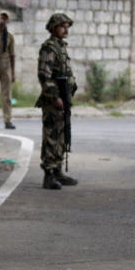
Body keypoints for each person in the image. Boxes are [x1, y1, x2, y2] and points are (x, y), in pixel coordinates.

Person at [35, 13, 78, 190]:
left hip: (64, 99)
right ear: (54, 28)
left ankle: (58, 169)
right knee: (51, 136)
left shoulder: (61, 47)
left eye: (67, 26)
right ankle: (49, 173)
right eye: (62, 26)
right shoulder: (49, 47)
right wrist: (55, 97)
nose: (66, 29)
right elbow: (44, 75)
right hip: (54, 100)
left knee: (62, 134)